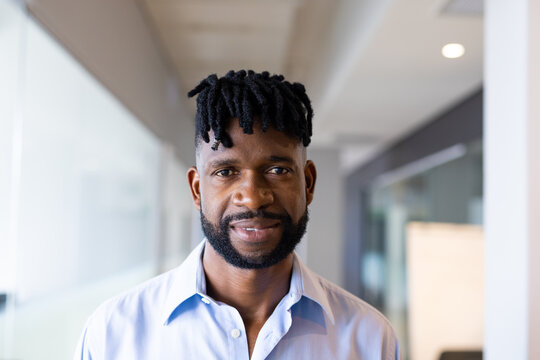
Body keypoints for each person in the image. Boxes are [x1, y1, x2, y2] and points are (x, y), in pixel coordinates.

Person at [74, 70, 400, 359]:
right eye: (226, 171)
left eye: (277, 169)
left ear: (308, 182)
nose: (253, 197)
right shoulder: (114, 334)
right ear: (197, 189)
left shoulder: (370, 339)